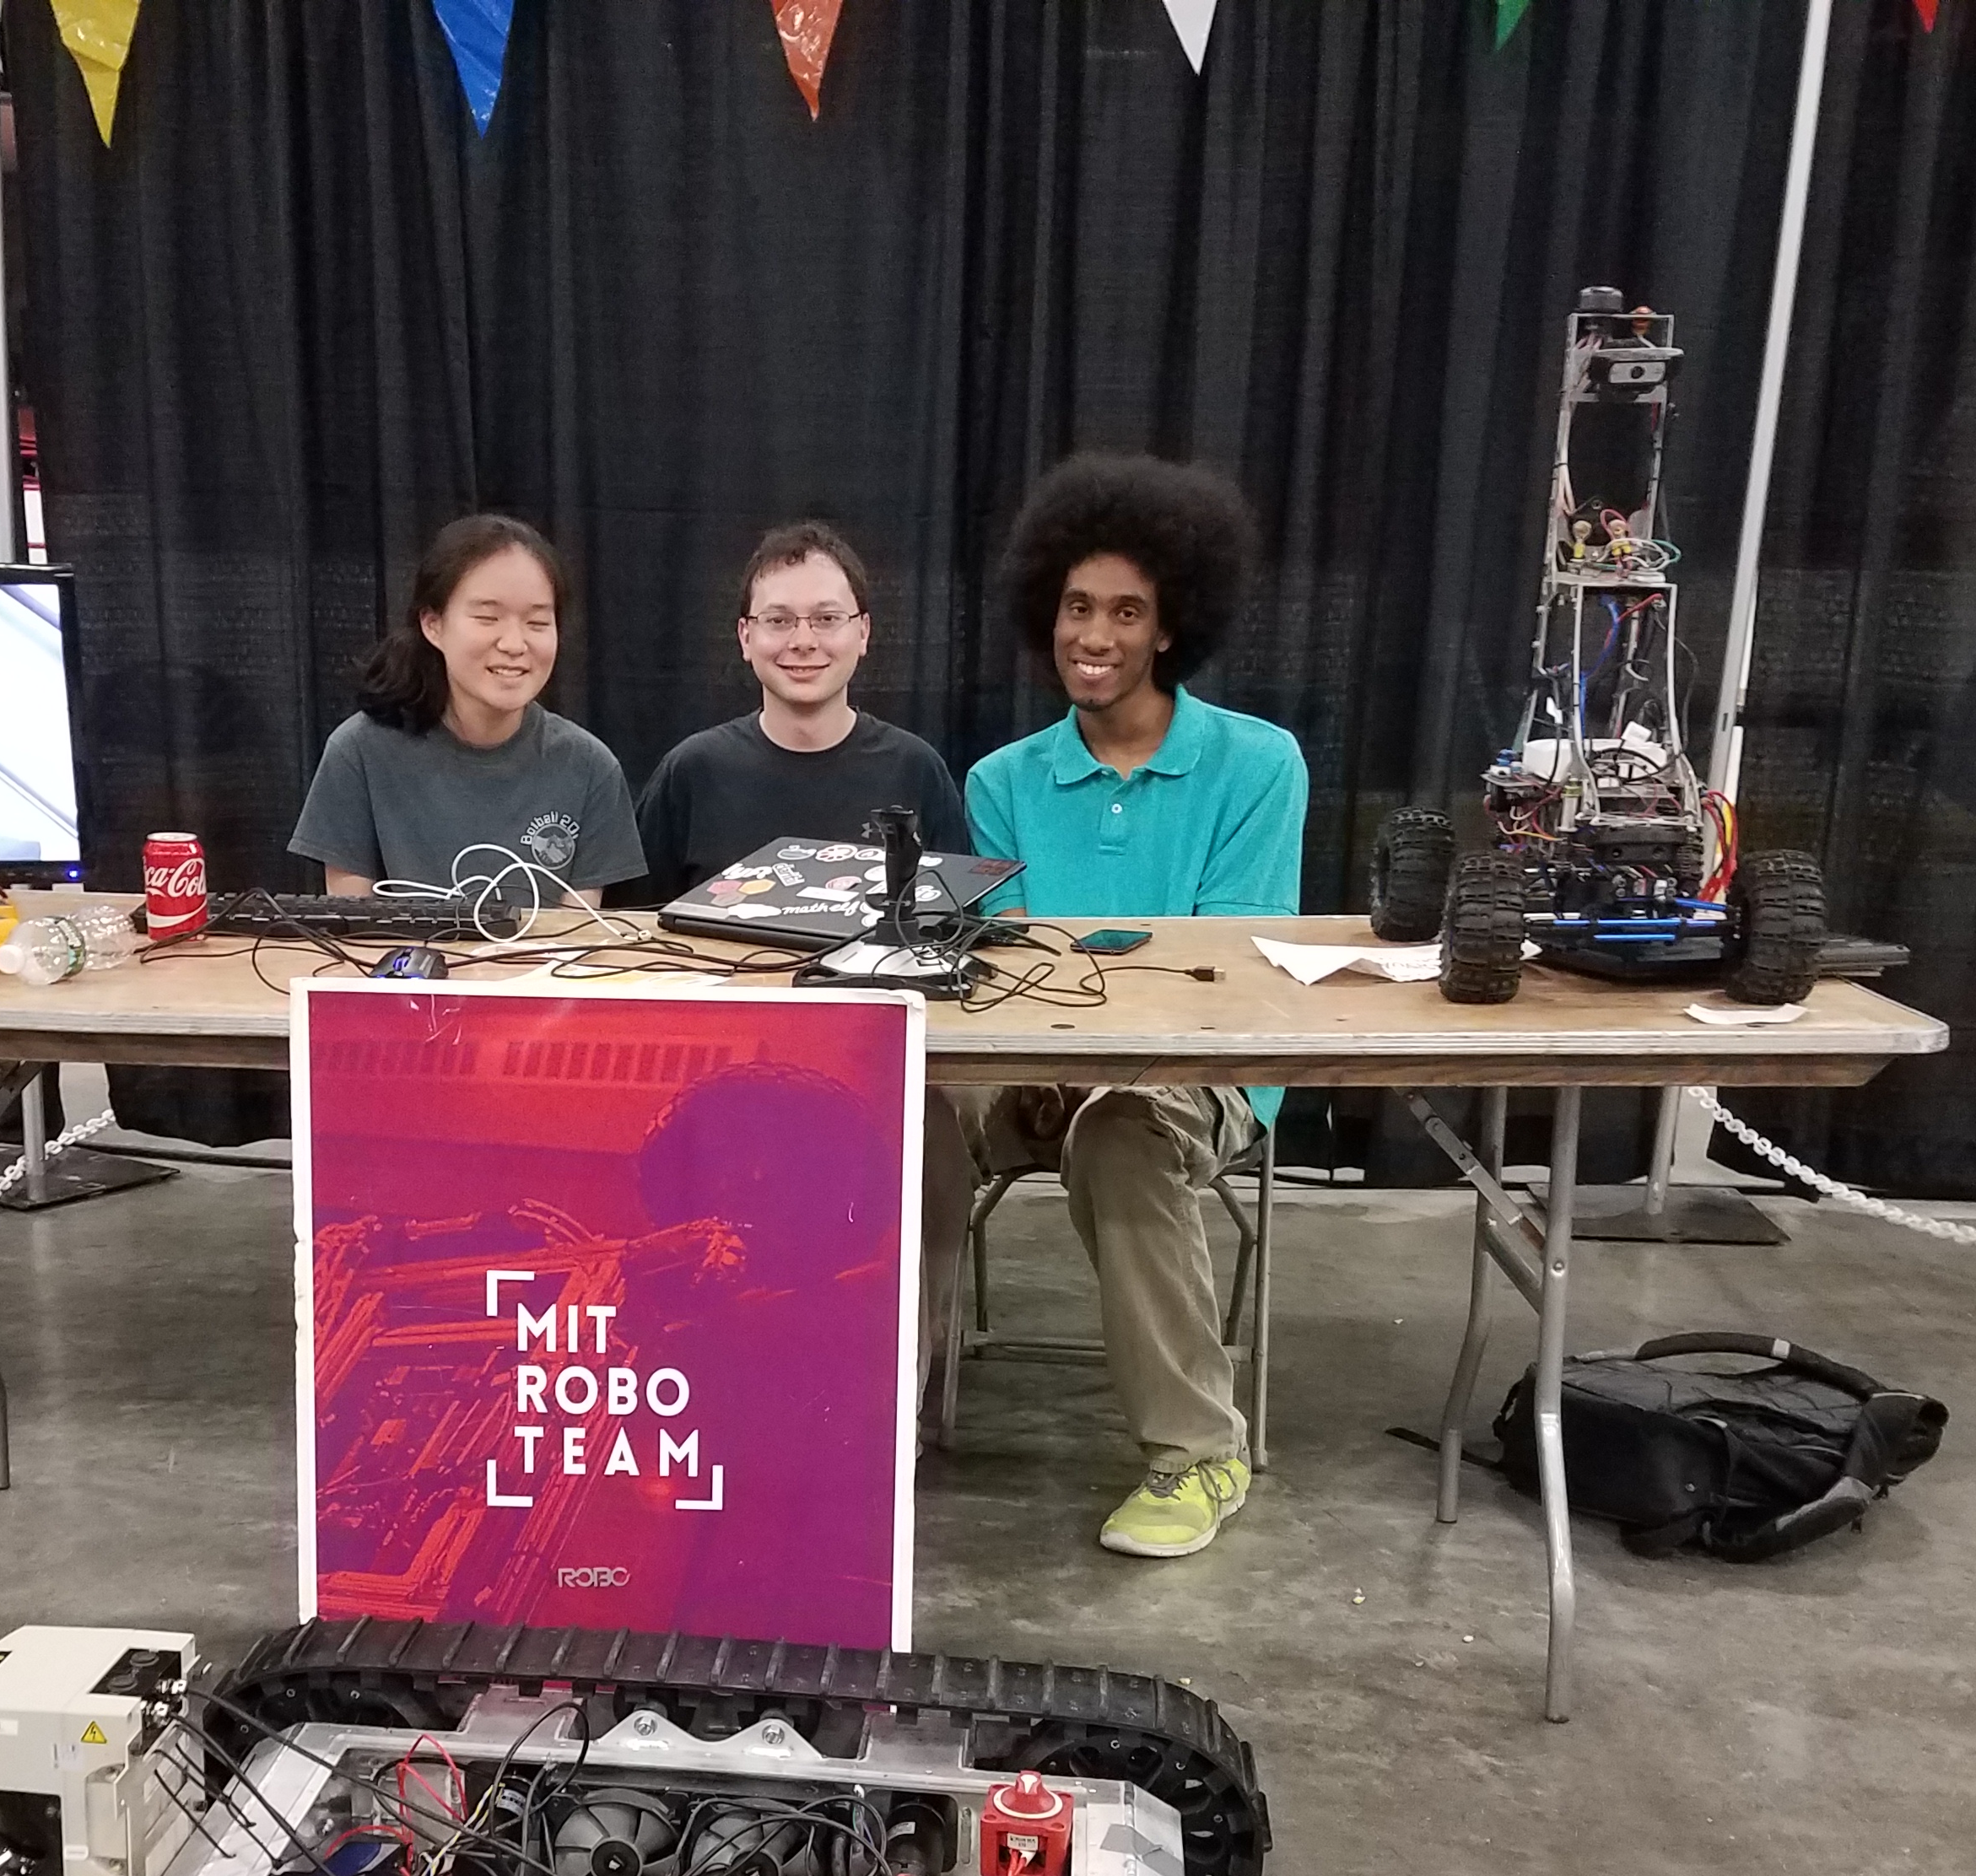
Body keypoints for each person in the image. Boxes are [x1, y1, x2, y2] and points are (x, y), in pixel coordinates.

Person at [932, 454, 1307, 1561]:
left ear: (1171, 625)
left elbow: (1222, 966)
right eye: (1077, 607)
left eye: (1126, 612)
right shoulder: (1003, 781)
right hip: (1035, 1061)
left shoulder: (1259, 765)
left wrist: (1095, 1058)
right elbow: (1009, 963)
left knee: (1123, 1130)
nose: (1093, 635)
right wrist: (1046, 1053)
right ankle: (877, 1414)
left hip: (1200, 1073)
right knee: (910, 1115)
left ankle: (1200, 1451)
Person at [292, 513, 643, 907]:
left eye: (537, 622)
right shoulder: (359, 753)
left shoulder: (590, 768)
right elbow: (351, 926)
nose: (514, 644)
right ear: (433, 625)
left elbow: (578, 935)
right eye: (487, 618)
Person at [634, 521, 967, 896]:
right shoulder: (691, 774)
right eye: (779, 621)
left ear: (863, 632)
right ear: (746, 636)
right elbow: (630, 925)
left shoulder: (916, 770)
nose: (803, 641)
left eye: (827, 619)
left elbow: (955, 918)